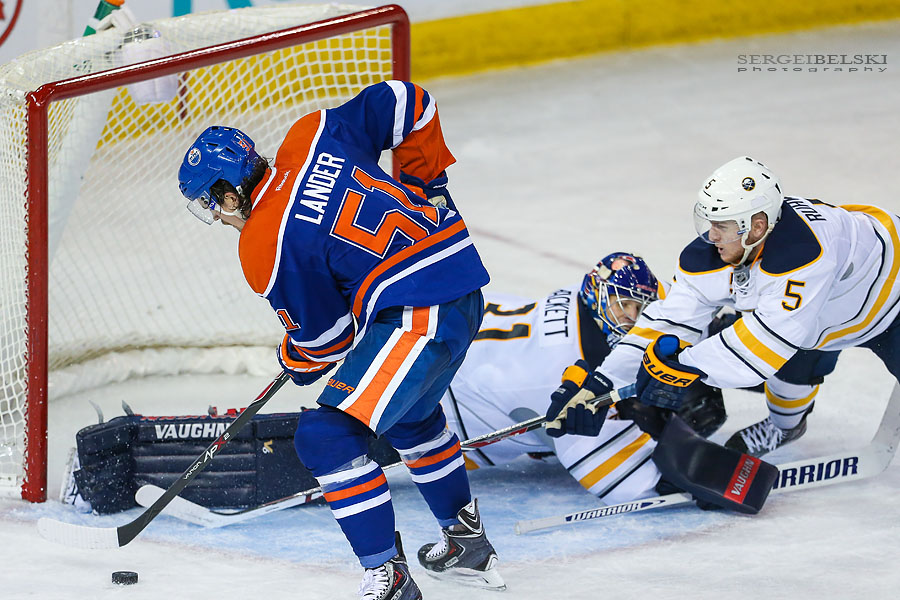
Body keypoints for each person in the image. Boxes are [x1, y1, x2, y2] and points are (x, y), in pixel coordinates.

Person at [177, 81, 504, 599]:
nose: (217, 216)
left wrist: (293, 356)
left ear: (229, 192)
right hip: (462, 283)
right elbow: (408, 101)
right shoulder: (311, 135)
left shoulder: (264, 240)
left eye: (212, 204)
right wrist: (429, 188)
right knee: (412, 416)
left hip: (419, 313)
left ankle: (389, 577)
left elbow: (326, 341)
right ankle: (466, 541)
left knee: (325, 438)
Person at [551, 156, 900, 458]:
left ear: (757, 226)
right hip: (822, 317)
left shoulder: (803, 255)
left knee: (777, 347)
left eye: (722, 226)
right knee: (792, 366)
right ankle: (785, 428)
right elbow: (668, 321)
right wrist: (601, 382)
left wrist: (679, 367)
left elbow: (760, 352)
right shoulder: (716, 254)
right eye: (709, 223)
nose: (711, 236)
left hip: (892, 300)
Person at [443, 253, 727, 505]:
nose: (635, 318)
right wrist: (692, 480)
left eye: (639, 308)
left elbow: (660, 302)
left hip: (458, 328)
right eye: (625, 306)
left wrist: (718, 333)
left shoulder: (591, 296)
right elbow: (615, 479)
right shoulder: (557, 379)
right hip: (449, 402)